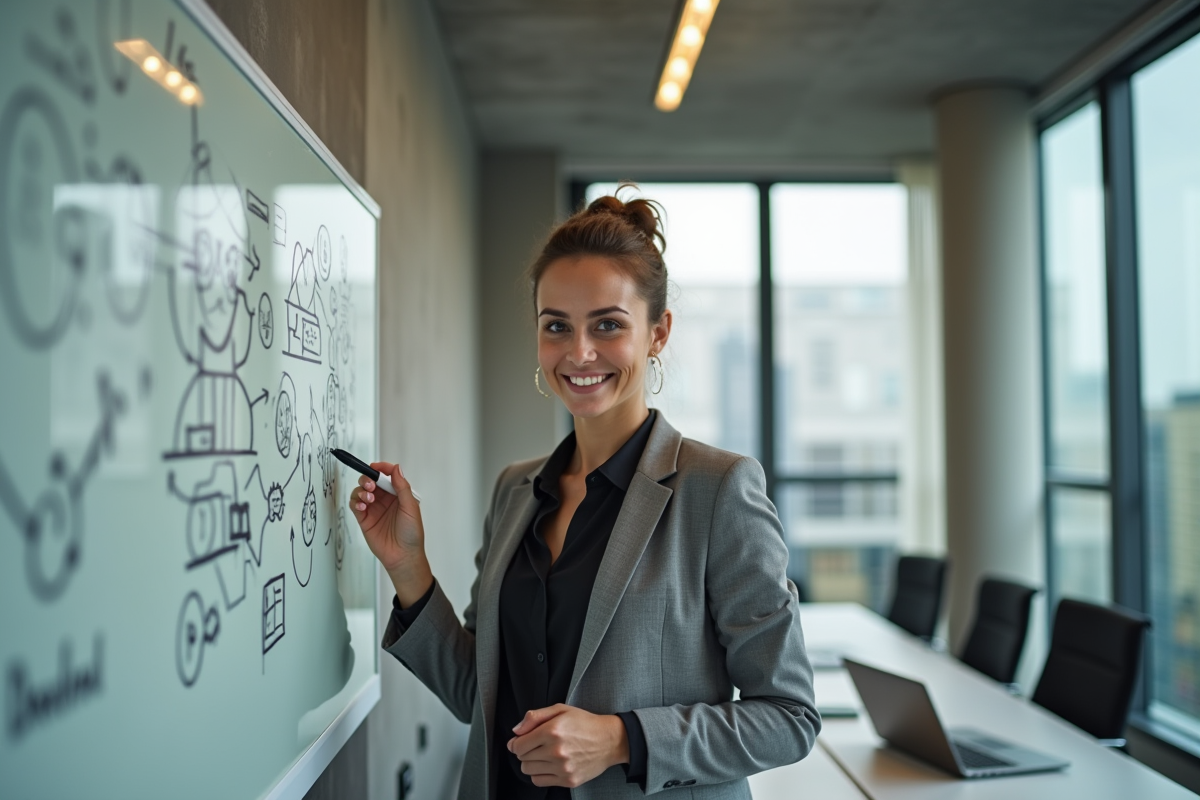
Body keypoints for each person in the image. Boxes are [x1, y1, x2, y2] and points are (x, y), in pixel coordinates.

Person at [349, 185, 820, 799]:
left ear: (658, 333)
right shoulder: (515, 489)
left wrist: (624, 739)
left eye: (608, 325)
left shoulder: (718, 489)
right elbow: (480, 695)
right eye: (556, 327)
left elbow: (789, 718)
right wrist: (408, 567)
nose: (579, 352)